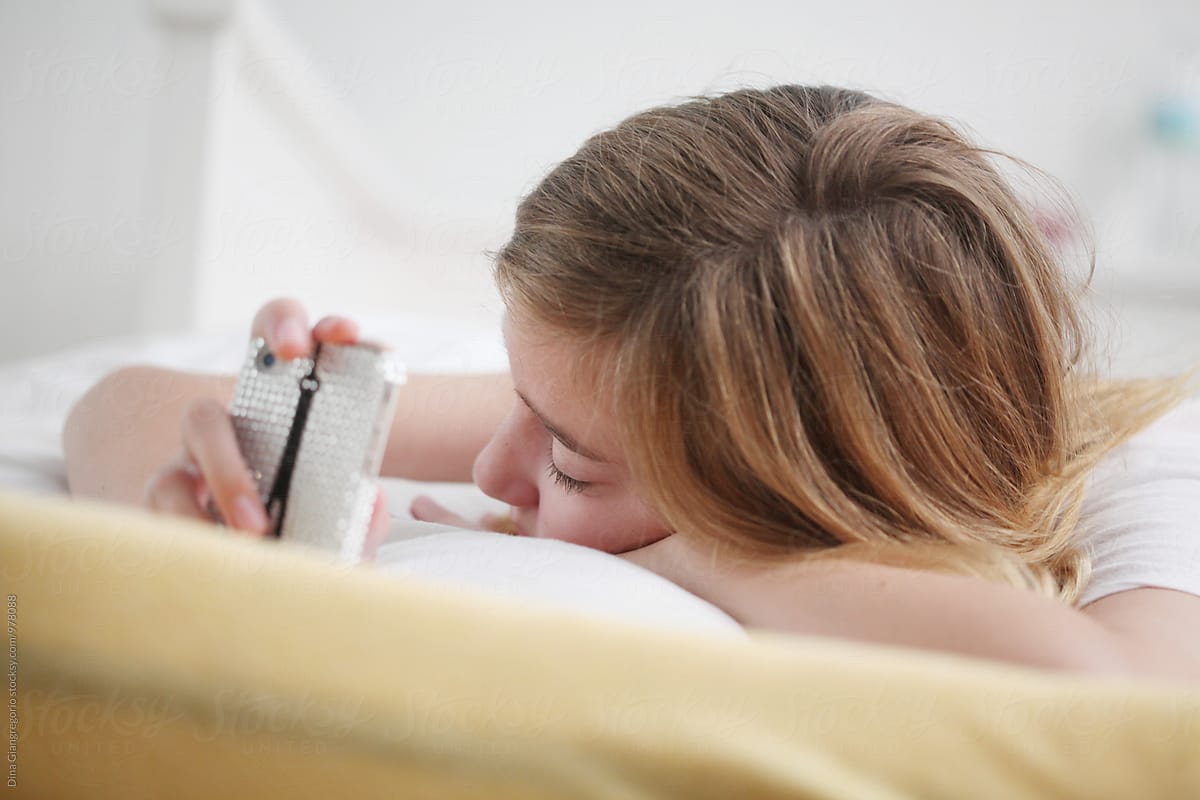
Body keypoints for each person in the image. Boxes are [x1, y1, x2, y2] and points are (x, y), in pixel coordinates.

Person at [62, 84, 1200, 680]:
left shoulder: (1152, 475)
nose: (496, 468)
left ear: (810, 500)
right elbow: (120, 400)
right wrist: (226, 468)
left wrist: (691, 555)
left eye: (566, 462)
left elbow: (1122, 698)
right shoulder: (602, 389)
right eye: (525, 406)